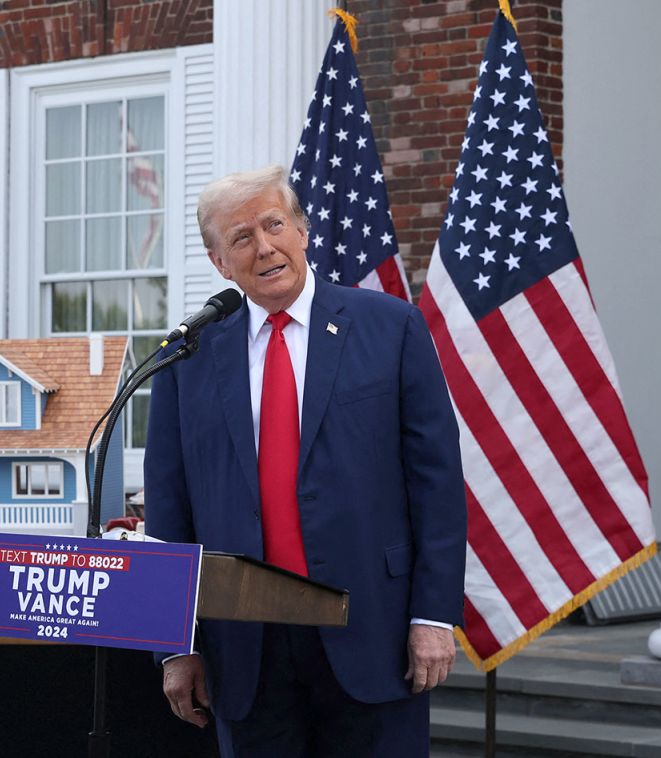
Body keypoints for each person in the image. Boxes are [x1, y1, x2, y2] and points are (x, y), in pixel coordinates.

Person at [144, 165, 467, 757]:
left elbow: (438, 484)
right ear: (220, 262)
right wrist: (176, 643)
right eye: (241, 237)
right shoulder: (185, 356)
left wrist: (434, 616)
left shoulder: (391, 327)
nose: (264, 246)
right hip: (244, 645)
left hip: (375, 627)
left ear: (302, 230)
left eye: (274, 224)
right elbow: (170, 508)